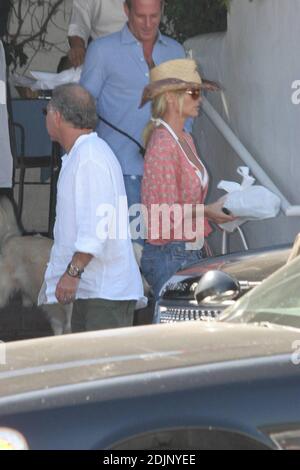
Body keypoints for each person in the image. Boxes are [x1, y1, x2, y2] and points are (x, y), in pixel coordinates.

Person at [38, 83, 146, 332]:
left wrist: (72, 273)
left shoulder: (89, 158)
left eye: (46, 112)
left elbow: (98, 227)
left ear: (57, 116)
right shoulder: (84, 154)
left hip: (104, 292)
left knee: (103, 369)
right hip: (95, 289)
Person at [140, 59, 236, 299]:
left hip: (186, 250)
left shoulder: (183, 139)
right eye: (194, 92)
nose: (200, 98)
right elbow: (164, 212)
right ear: (171, 97)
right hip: (171, 254)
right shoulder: (163, 144)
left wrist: (212, 212)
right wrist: (208, 212)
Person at [80, 0, 187, 215]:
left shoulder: (175, 51)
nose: (148, 24)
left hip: (165, 175)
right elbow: (82, 111)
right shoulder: (102, 51)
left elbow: (186, 111)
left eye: (154, 16)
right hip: (119, 173)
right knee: (129, 248)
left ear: (162, 11)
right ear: (126, 10)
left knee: (162, 247)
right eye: (140, 16)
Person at [68, 0, 127, 68]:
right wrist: (77, 46)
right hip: (104, 53)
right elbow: (78, 24)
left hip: (138, 50)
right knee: (68, 66)